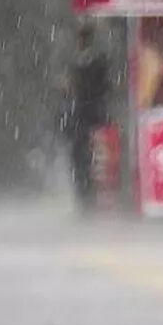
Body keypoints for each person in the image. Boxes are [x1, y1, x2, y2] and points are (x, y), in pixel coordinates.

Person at [66, 25, 111, 213]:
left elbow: (95, 88)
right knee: (86, 158)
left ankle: (87, 196)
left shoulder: (90, 63)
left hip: (88, 118)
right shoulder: (91, 63)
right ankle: (86, 195)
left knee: (87, 158)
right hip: (89, 117)